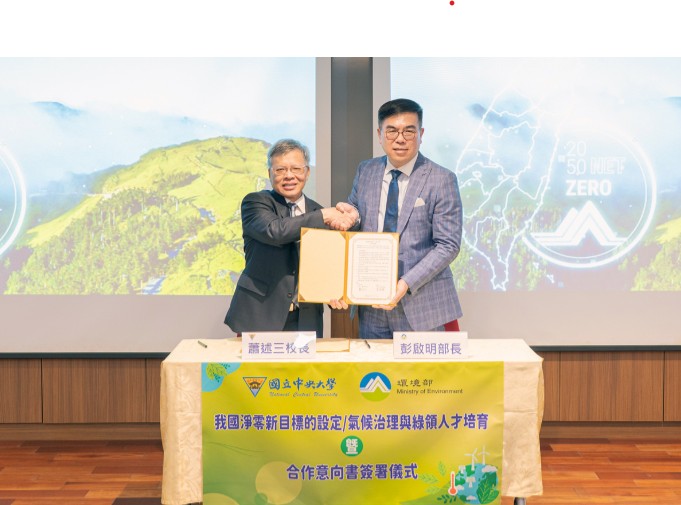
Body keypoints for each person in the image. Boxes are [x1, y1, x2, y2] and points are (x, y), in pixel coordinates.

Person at [339, 98, 463, 339]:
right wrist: (351, 217)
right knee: (374, 364)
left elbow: (448, 245)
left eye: (409, 131)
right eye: (392, 131)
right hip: (371, 305)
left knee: (421, 367)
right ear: (379, 134)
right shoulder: (366, 170)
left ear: (421, 134)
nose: (400, 138)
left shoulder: (442, 179)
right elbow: (358, 217)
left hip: (422, 303)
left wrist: (405, 283)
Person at [225, 138, 354, 337]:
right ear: (269, 173)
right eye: (280, 170)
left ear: (307, 172)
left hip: (306, 319)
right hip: (260, 315)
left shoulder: (318, 212)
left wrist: (335, 292)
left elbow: (328, 263)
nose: (289, 176)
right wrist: (324, 216)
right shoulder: (256, 203)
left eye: (296, 169)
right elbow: (276, 231)